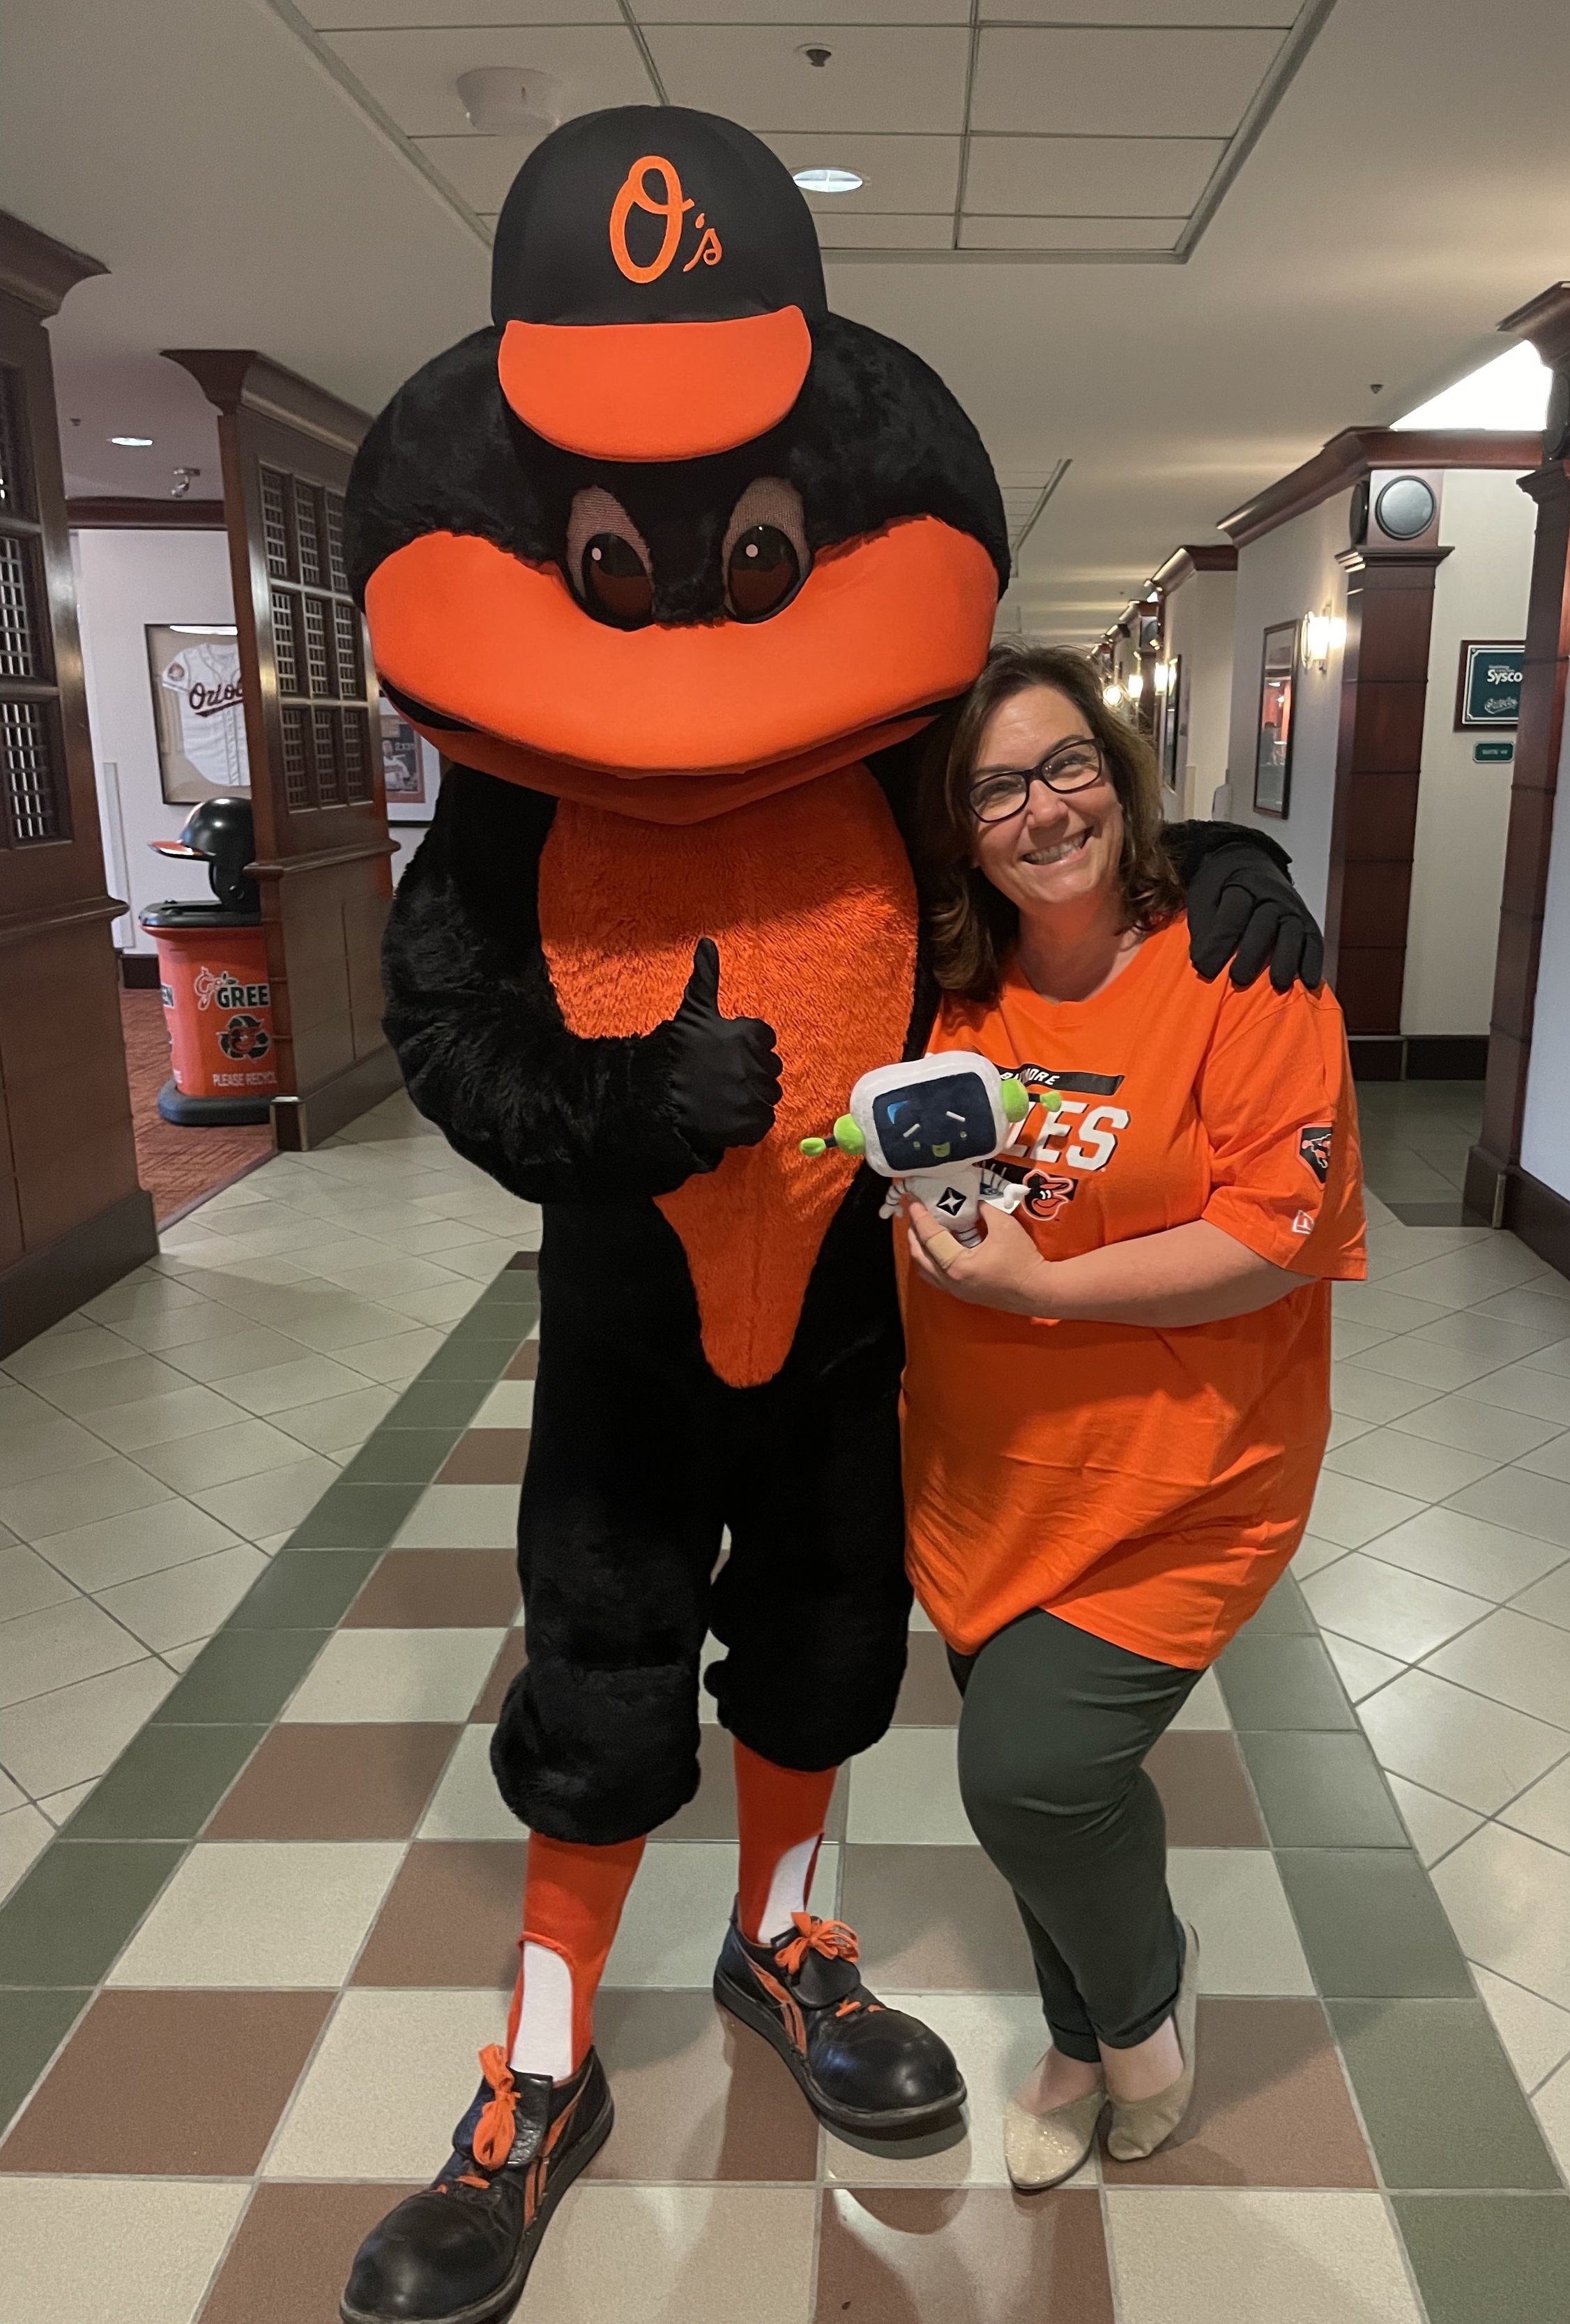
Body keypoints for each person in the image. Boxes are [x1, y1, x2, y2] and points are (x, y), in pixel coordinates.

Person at [338, 107, 1324, 2324]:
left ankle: (783, 1936)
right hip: (627, 1322)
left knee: (813, 1640)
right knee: (597, 1677)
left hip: (857, 1328)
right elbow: (452, 1044)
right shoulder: (501, 815)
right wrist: (615, 1104)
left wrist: (1227, 863)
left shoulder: (901, 761)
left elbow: (1052, 830)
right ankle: (539, 2067)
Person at [898, 643, 1365, 2191]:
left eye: (1067, 764)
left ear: (1121, 766)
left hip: (1183, 1482)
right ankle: (1080, 2031)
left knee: (1026, 1773)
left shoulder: (1242, 967)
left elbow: (1277, 1229)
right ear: (953, 829)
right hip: (980, 1480)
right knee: (1050, 1792)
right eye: (995, 788)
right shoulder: (943, 976)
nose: (1042, 808)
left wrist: (1044, 1287)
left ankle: (1142, 2011)